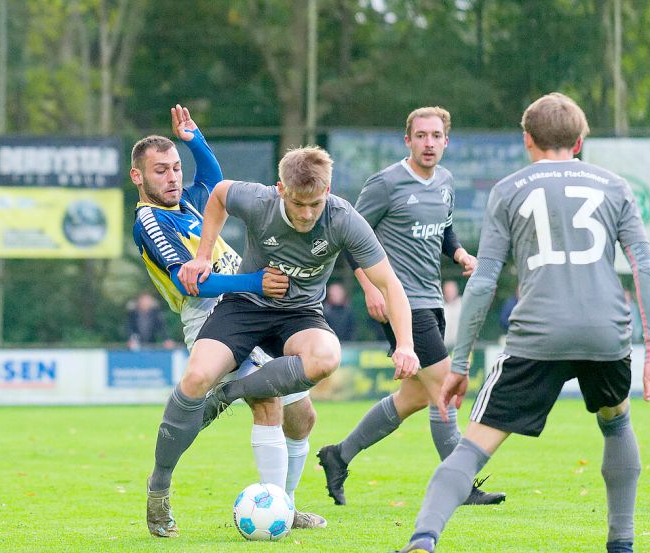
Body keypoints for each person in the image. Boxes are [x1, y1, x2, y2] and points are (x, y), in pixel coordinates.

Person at [395, 93, 650, 553]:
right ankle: (621, 544)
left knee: (471, 448)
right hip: (605, 332)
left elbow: (483, 281)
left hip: (538, 335)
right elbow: (646, 267)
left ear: (527, 140)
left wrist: (459, 363)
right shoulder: (615, 185)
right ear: (580, 141)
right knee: (617, 423)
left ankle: (423, 540)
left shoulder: (509, 189)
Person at [146, 143, 420, 537]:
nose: (307, 214)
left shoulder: (343, 219)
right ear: (280, 189)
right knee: (195, 379)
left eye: (315, 203)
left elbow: (390, 285)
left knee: (324, 363)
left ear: (327, 190)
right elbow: (219, 193)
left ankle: (278, 496)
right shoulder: (259, 201)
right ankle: (158, 488)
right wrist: (204, 254)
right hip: (244, 307)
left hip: (299, 315)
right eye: (297, 204)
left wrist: (406, 345)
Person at [133, 106, 326, 537]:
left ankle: (284, 505)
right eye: (160, 170)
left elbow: (215, 177)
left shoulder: (188, 200)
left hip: (252, 305)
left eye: (176, 168)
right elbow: (193, 284)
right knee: (268, 402)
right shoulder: (151, 220)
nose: (172, 177)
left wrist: (194, 138)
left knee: (304, 416)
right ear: (138, 177)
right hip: (209, 315)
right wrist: (256, 281)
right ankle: (160, 490)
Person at [317, 107, 504, 507]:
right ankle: (460, 487)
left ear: (446, 141)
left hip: (432, 298)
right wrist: (369, 288)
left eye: (436, 136)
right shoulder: (385, 183)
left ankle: (339, 456)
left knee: (414, 399)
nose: (429, 143)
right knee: (444, 391)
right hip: (402, 304)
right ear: (408, 140)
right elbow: (351, 236)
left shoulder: (446, 182)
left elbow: (445, 229)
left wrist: (459, 255)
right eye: (421, 135)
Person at [442, 281, 462, 349]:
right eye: (448, 291)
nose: (449, 293)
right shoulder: (440, 306)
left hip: (460, 346)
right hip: (444, 347)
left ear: (456, 291)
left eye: (451, 291)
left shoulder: (463, 304)